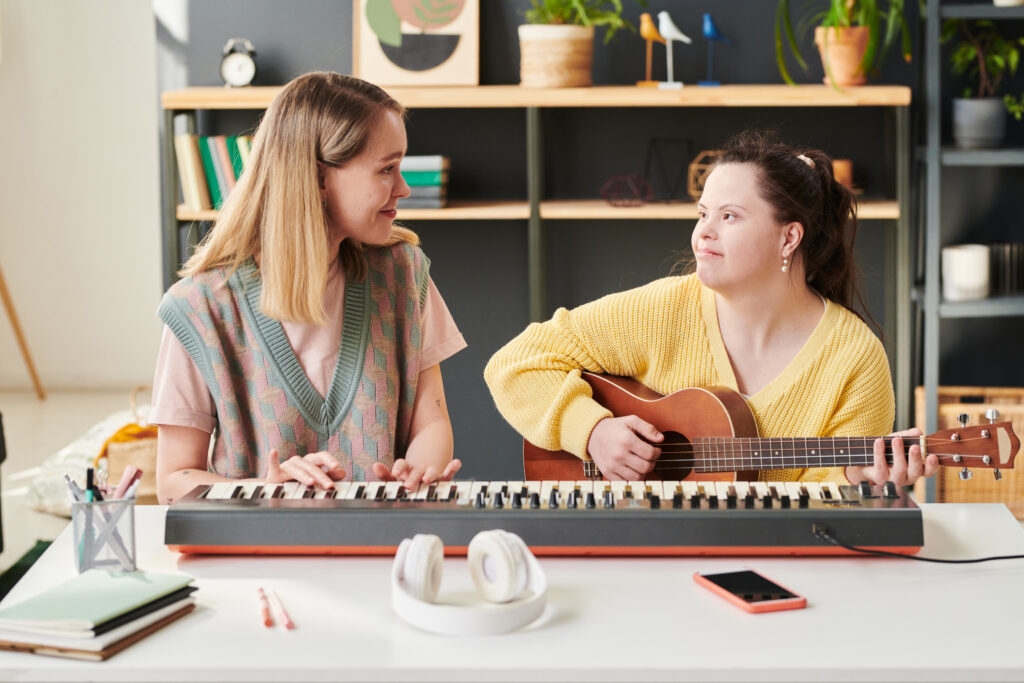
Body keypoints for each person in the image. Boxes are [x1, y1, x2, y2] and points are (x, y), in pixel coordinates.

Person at [485, 130, 937, 486]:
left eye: (729, 216)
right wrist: (592, 431)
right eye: (703, 213)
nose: (703, 233)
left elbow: (832, 518)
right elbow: (514, 363)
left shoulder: (855, 359)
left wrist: (855, 479)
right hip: (639, 552)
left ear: (789, 237)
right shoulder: (662, 309)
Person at [152, 72, 466, 504]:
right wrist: (264, 491)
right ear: (320, 179)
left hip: (384, 549)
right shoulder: (199, 308)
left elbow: (431, 423)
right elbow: (172, 481)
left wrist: (417, 472)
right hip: (258, 560)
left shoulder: (404, 274)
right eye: (387, 169)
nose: (404, 188)